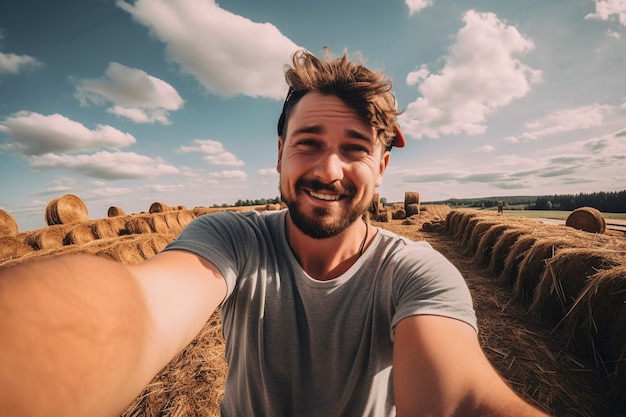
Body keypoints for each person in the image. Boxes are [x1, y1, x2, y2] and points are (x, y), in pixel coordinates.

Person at [0, 49, 550, 417]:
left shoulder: (414, 271)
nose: (329, 170)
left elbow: (459, 398)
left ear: (382, 168)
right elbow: (137, 309)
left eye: (355, 148)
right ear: (280, 156)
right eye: (308, 141)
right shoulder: (231, 240)